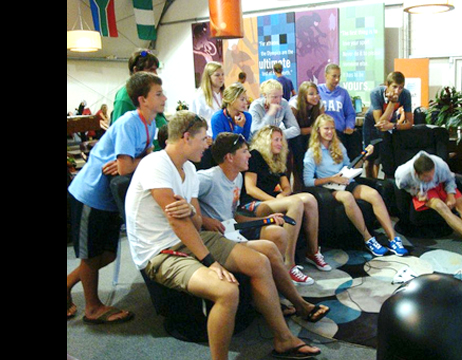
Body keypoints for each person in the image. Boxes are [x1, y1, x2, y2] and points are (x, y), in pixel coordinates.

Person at [125, 113, 326, 360]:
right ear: (186, 137)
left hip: (191, 237)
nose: (207, 143)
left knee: (259, 261)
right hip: (159, 252)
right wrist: (211, 261)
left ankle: (284, 339)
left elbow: (195, 220)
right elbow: (178, 223)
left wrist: (189, 210)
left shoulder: (188, 168)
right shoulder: (156, 164)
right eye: (203, 138)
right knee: (227, 290)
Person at [67, 72, 165, 324]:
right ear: (142, 99)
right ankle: (92, 308)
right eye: (158, 94)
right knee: (90, 256)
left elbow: (139, 158)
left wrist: (136, 160)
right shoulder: (127, 123)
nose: (164, 98)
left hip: (108, 198)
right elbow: (124, 168)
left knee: (108, 255)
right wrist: (137, 160)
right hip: (90, 195)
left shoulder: (149, 122)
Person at [303, 114, 408, 257]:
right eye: (326, 128)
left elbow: (349, 167)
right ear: (318, 130)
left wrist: (364, 156)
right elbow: (308, 181)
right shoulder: (311, 153)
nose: (330, 132)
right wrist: (333, 179)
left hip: (347, 181)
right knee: (347, 197)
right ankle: (368, 238)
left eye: (332, 128)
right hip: (329, 187)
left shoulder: (338, 146)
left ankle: (393, 238)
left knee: (373, 194)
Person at [242, 126, 331, 284]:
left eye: (281, 140)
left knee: (309, 199)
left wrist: (283, 194)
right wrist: (275, 200)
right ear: (265, 141)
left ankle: (313, 251)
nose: (280, 144)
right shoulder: (255, 155)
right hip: (253, 203)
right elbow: (250, 188)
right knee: (295, 202)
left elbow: (287, 187)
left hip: (272, 200)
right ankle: (288, 264)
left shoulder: (277, 159)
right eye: (276, 140)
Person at [395, 151, 462, 268]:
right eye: (427, 176)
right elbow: (402, 186)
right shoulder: (403, 174)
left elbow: (450, 179)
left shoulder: (439, 164)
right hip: (424, 190)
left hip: (442, 185)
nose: (431, 178)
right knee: (441, 207)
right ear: (417, 174)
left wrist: (451, 194)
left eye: (432, 174)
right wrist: (415, 193)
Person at [111, 49, 167, 151]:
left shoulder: (150, 92)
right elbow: (119, 136)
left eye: (156, 70)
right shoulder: (124, 97)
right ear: (136, 70)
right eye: (150, 70)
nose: (155, 74)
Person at [363, 72, 414, 179]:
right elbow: (379, 123)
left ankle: (387, 186)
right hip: (371, 122)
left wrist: (393, 126)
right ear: (387, 85)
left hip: (390, 120)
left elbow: (410, 123)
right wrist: (392, 103)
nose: (397, 91)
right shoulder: (376, 93)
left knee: (388, 159)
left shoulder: (405, 94)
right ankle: (370, 182)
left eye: (401, 88)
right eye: (394, 87)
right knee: (370, 157)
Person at [318, 64, 360, 161]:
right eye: (334, 76)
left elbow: (350, 113)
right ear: (326, 75)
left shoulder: (343, 93)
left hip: (340, 134)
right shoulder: (318, 90)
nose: (337, 79)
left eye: (339, 76)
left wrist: (349, 126)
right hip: (323, 135)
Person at [290, 81, 324, 192]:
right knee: (299, 157)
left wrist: (313, 130)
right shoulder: (294, 105)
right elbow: (294, 130)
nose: (315, 96)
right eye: (311, 94)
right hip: (295, 138)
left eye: (317, 93)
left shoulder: (320, 104)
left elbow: (322, 125)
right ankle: (298, 190)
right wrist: (313, 129)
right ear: (303, 95)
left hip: (311, 137)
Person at [190, 61, 225, 139]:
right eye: (217, 75)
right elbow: (194, 121)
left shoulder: (225, 95)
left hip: (224, 136)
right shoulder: (199, 96)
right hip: (208, 138)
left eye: (222, 75)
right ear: (208, 77)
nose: (221, 78)